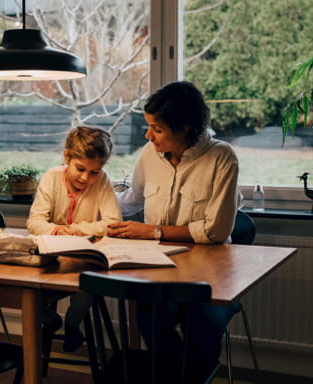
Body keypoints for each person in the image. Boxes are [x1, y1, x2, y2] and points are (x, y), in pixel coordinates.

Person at [107, 81, 239, 381]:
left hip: (210, 275)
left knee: (201, 326)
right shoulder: (150, 153)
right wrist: (92, 198)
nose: (148, 135)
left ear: (185, 127)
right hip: (161, 268)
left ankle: (186, 374)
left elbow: (215, 231)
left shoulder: (222, 157)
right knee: (148, 314)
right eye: (148, 127)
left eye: (157, 129)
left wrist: (153, 232)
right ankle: (174, 374)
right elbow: (131, 201)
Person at [27, 125, 122, 352]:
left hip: (82, 258)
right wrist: (57, 230)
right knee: (27, 287)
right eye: (80, 169)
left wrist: (75, 230)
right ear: (67, 157)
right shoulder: (51, 177)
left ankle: (72, 323)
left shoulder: (102, 181)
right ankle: (50, 319)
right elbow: (35, 222)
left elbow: (113, 222)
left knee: (87, 284)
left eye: (94, 172)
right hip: (49, 256)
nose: (86, 177)